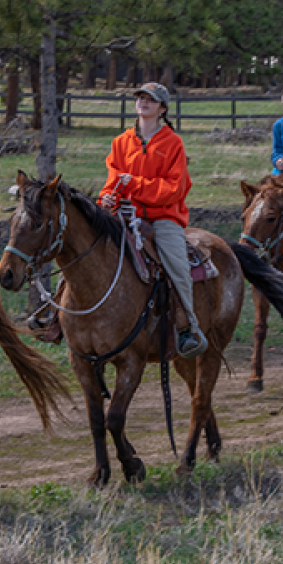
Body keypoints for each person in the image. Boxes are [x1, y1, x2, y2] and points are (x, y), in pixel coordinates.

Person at [99, 82, 208, 359]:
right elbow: (112, 181)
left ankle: (188, 328)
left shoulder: (173, 143)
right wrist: (107, 198)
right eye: (140, 98)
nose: (143, 102)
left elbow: (174, 189)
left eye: (150, 99)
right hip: (124, 214)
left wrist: (133, 184)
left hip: (163, 218)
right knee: (87, 246)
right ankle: (58, 315)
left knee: (177, 265)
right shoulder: (120, 142)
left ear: (162, 108)